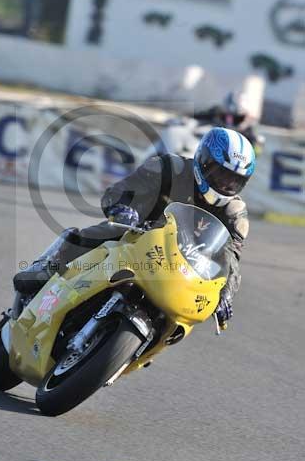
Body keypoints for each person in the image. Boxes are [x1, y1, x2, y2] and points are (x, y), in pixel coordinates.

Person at [14, 127, 256, 328]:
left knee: (191, 306)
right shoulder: (169, 168)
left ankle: (147, 339)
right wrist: (123, 209)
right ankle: (48, 268)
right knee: (110, 231)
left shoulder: (235, 214)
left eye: (234, 180)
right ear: (204, 160)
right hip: (135, 235)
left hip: (179, 265)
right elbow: (121, 191)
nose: (226, 184)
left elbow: (231, 257)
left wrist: (226, 294)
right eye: (221, 174)